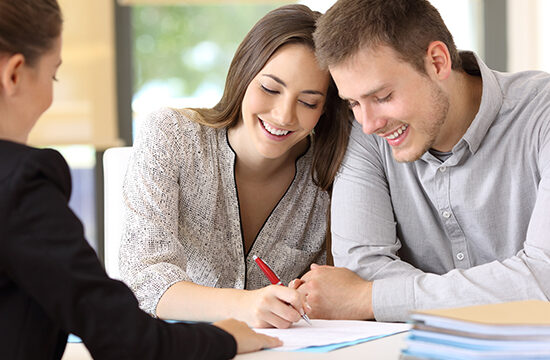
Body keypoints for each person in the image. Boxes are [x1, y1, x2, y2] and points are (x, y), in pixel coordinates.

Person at [0, 0, 281, 358]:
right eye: (54, 74)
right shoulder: (19, 185)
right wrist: (226, 338)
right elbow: (125, 338)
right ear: (14, 74)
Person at [294, 0, 550, 322]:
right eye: (354, 102)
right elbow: (361, 266)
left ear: (438, 62)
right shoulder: (365, 132)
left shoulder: (542, 116)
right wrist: (503, 290)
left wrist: (368, 299)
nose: (370, 123)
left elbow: (544, 280)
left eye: (382, 97)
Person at [119, 4, 351, 329]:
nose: (284, 115)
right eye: (270, 88)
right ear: (244, 75)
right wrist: (245, 305)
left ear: (326, 109)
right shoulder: (171, 136)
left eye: (308, 101)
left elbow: (335, 292)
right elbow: (142, 279)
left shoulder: (332, 176)